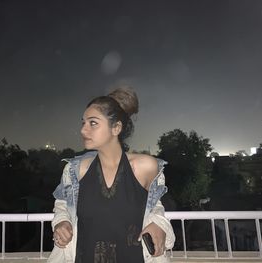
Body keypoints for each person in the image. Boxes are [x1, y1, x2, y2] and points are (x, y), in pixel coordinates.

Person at [48, 87, 175, 263]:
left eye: (93, 123)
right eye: (83, 123)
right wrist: (62, 223)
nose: (83, 130)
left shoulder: (145, 167)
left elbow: (155, 207)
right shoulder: (76, 170)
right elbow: (62, 205)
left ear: (116, 128)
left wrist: (160, 225)